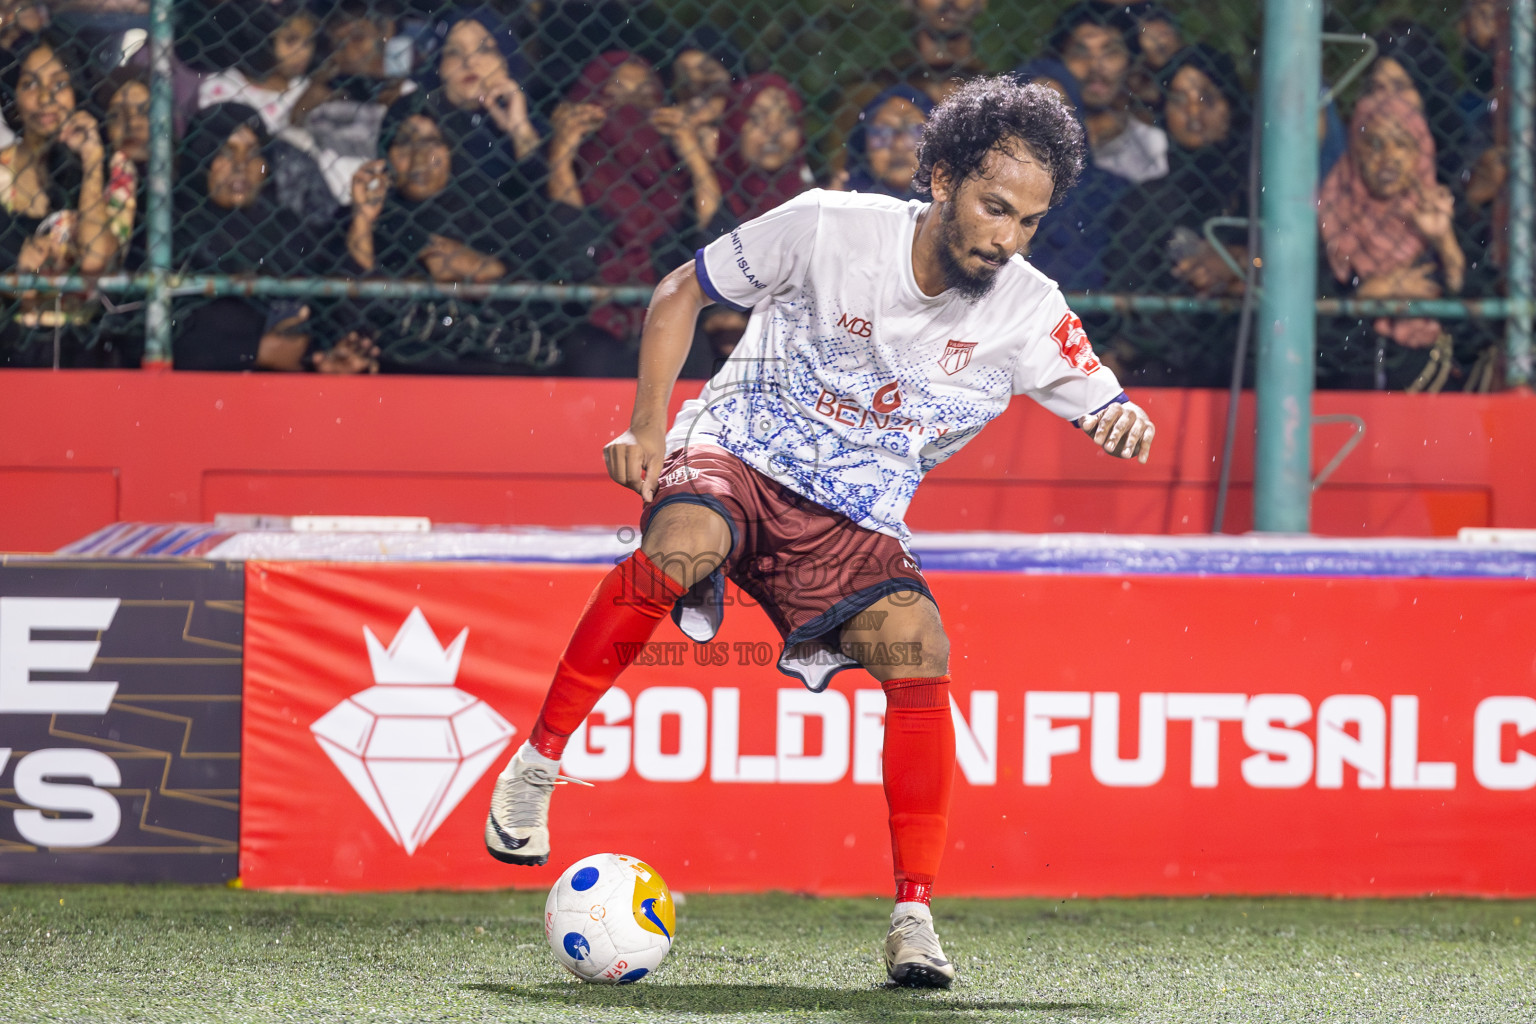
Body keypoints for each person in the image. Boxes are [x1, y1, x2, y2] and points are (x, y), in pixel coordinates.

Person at [482, 75, 1156, 988]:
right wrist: (647, 427)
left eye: (1028, 222)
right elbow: (679, 292)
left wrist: (1120, 419)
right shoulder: (828, 225)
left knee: (919, 645)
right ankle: (536, 766)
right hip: (737, 452)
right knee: (682, 545)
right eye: (995, 208)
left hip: (851, 521)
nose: (1007, 238)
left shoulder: (1029, 306)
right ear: (944, 179)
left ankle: (913, 916)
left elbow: (1104, 398)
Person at [171, 102, 372, 373]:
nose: (241, 165)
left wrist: (325, 354)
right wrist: (255, 351)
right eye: (226, 151)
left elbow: (334, 304)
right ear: (200, 158)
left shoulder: (285, 229)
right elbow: (150, 333)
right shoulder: (173, 231)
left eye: (254, 152)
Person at [1316, 90, 1467, 392]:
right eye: (1374, 143)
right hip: (1343, 389)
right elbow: (1315, 334)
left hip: (1431, 391)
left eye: (1402, 144)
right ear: (1355, 150)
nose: (1388, 157)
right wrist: (1365, 295)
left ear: (1419, 154)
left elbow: (1475, 330)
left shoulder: (1441, 210)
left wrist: (1444, 241)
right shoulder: (1326, 217)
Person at [1053, 1, 1167, 185]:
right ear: (1060, 60)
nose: (1095, 67)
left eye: (1111, 53)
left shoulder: (1151, 143)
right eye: (1080, 52)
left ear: (1130, 63)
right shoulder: (1032, 131)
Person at [843, 83, 933, 200]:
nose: (898, 145)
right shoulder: (844, 200)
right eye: (882, 133)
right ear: (862, 144)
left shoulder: (950, 202)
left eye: (913, 130)